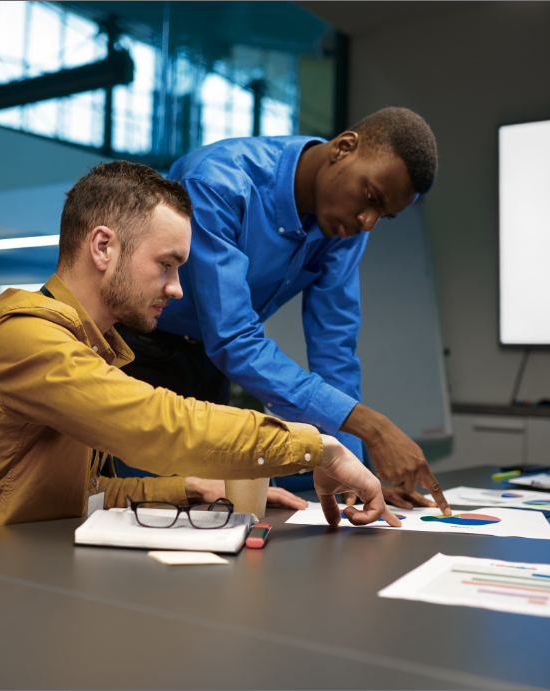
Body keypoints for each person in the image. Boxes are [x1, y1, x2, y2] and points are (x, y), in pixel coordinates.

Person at [0, 161, 401, 534]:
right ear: (103, 247)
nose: (178, 289)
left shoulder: (93, 346)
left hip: (23, 563)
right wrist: (318, 447)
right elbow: (155, 423)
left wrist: (186, 489)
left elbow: (79, 494)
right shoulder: (25, 336)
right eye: (166, 264)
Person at [115, 107, 451, 515]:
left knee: (208, 515)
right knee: (134, 511)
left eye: (384, 215)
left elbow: (335, 350)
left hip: (208, 364)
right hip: (136, 352)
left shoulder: (343, 229)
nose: (367, 223)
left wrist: (355, 472)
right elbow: (235, 339)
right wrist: (370, 425)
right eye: (371, 198)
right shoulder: (217, 182)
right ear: (345, 147)